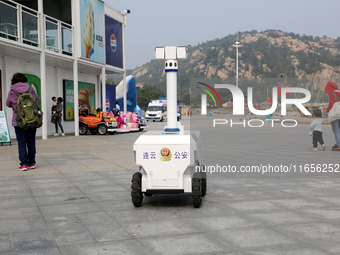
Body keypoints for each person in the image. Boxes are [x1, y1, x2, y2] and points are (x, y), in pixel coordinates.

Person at [6, 72, 41, 171]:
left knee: (21, 143)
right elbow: (38, 101)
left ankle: (24, 164)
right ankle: (32, 163)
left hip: (19, 121)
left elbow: (8, 104)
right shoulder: (30, 89)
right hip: (31, 120)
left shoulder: (12, 91)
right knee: (31, 142)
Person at [325, 82, 340, 151]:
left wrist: (327, 111)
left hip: (335, 114)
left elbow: (331, 103)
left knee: (336, 129)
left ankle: (338, 145)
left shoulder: (332, 94)